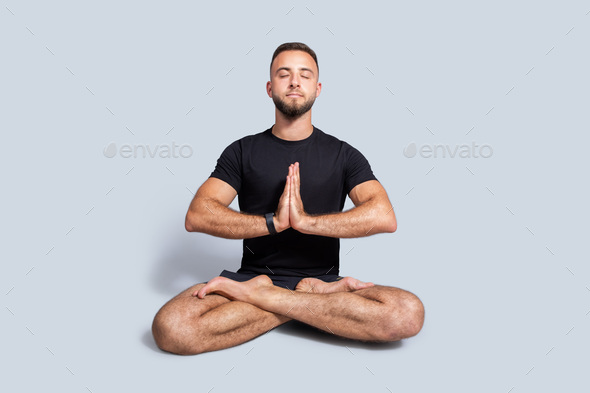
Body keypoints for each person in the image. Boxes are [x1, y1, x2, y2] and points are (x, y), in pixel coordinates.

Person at [152, 42, 424, 355]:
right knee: (172, 328)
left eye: (304, 75)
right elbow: (197, 215)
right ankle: (294, 298)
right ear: (270, 88)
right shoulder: (241, 152)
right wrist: (274, 223)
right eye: (284, 74)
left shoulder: (344, 155)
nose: (295, 81)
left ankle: (271, 296)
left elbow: (383, 216)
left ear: (318, 88)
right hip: (259, 280)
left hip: (322, 281)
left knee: (407, 313)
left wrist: (306, 222)